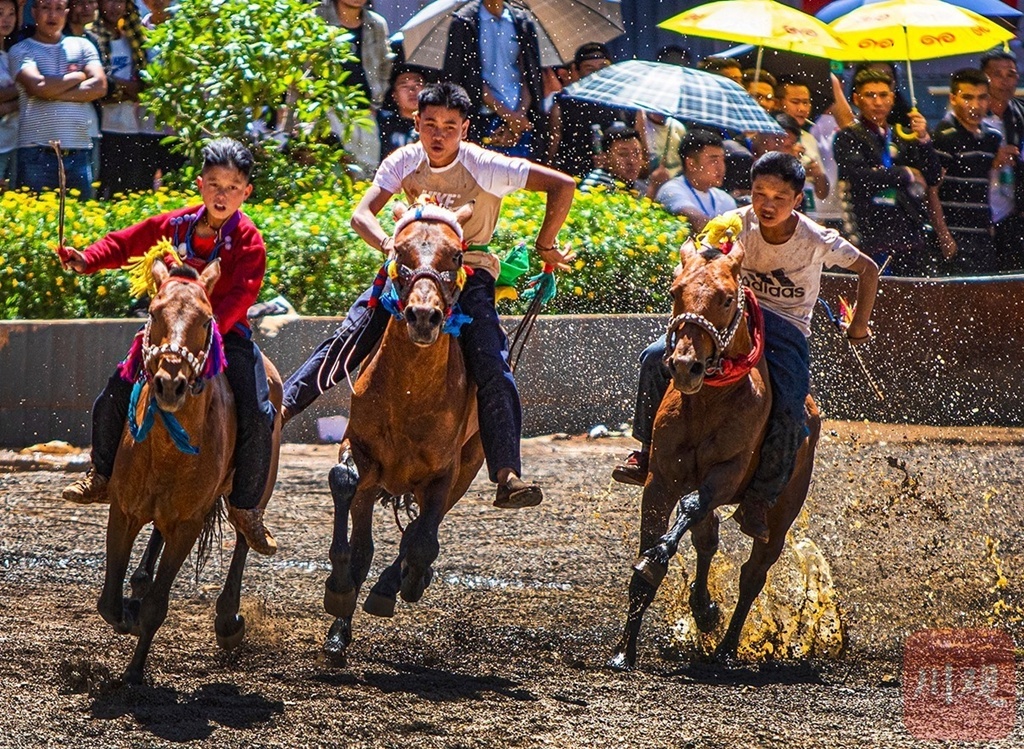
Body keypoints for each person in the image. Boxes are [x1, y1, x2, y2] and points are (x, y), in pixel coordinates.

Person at [281, 81, 575, 508]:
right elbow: (362, 214)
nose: (439, 135)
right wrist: (388, 246)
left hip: (466, 272)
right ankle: (282, 410)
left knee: (492, 363)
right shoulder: (404, 159)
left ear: (465, 128)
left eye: (450, 127)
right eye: (431, 124)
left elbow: (562, 184)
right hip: (409, 269)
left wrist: (546, 244)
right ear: (415, 122)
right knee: (352, 333)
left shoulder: (485, 164)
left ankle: (508, 474)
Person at [613, 152, 879, 543]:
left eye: (779, 197)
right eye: (759, 193)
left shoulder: (816, 238)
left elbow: (868, 269)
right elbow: (700, 263)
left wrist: (859, 324)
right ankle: (646, 452)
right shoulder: (733, 225)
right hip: (731, 317)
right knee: (655, 357)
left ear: (797, 199)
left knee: (793, 411)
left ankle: (760, 497)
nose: (767, 204)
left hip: (786, 329)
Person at [58, 138, 279, 556]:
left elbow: (241, 298)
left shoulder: (250, 242)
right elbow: (126, 242)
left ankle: (247, 508)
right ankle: (101, 475)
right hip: (165, 336)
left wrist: (205, 330)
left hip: (223, 334)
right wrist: (86, 259)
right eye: (214, 184)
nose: (222, 194)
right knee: (113, 392)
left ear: (246, 192)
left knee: (257, 411)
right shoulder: (174, 226)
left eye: (232, 187)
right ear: (200, 185)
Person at [834, 67, 940, 275]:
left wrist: (924, 139)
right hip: (869, 233)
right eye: (870, 95)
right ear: (856, 98)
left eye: (883, 95)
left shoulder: (903, 135)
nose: (878, 102)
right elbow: (858, 176)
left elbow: (932, 176)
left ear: (892, 98)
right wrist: (904, 174)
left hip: (908, 234)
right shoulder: (848, 137)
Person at [9, 0, 107, 197]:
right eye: (45, 8)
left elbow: (100, 86)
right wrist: (78, 77)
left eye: (59, 8)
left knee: (80, 221)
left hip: (78, 151)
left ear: (67, 12)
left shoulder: (83, 45)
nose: (52, 15)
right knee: (35, 221)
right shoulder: (21, 50)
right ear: (34, 12)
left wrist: (50, 92)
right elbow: (38, 86)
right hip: (36, 152)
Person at [442, 0, 544, 161]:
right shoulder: (465, 22)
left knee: (524, 182)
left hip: (521, 117)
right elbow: (465, 79)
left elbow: (530, 75)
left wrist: (519, 117)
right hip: (482, 117)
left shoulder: (521, 20)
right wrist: (510, 117)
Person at [929, 68, 1006, 274]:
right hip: (954, 235)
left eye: (981, 98)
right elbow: (932, 190)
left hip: (983, 235)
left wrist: (989, 225)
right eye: (967, 98)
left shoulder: (992, 137)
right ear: (953, 99)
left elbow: (986, 182)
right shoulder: (944, 136)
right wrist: (944, 237)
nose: (975, 105)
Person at [317, 0, 392, 179]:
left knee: (366, 173)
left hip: (364, 113)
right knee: (330, 175)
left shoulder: (376, 24)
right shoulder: (318, 18)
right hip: (327, 110)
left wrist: (375, 104)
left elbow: (385, 66)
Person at [548, 42, 643, 179]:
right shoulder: (563, 106)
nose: (598, 75)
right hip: (577, 183)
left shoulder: (628, 105)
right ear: (576, 71)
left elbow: (643, 161)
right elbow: (552, 157)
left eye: (603, 68)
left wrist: (614, 162)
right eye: (590, 69)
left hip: (620, 186)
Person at [92, 0, 148, 198]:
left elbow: (143, 84)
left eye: (120, 2)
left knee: (127, 191)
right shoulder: (94, 38)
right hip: (103, 127)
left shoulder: (131, 40)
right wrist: (123, 88)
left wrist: (115, 85)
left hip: (130, 126)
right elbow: (100, 88)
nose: (114, 7)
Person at [981, 48, 1024, 270]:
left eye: (1011, 74)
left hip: (1013, 213)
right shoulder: (971, 114)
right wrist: (991, 161)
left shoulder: (1020, 115)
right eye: (997, 74)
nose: (1005, 81)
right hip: (979, 212)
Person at [655, 128, 736, 232]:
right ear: (691, 164)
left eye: (722, 160)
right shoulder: (671, 189)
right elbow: (696, 220)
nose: (721, 167)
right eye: (713, 160)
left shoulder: (726, 200)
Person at [775, 76, 830, 218]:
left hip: (809, 214)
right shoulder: (770, 138)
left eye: (806, 102)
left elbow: (823, 193)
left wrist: (818, 175)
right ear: (778, 103)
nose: (802, 108)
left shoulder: (810, 138)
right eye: (795, 102)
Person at [377, 63, 427, 160]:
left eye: (417, 85)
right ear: (394, 95)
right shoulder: (383, 122)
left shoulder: (438, 124)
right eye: (404, 86)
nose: (412, 91)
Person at [579, 123, 644, 194]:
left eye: (637, 154)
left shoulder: (640, 187)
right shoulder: (597, 186)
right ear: (606, 157)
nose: (632, 161)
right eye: (623, 154)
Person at [0, 0, 20, 188]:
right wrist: (25, 91)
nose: (6, 20)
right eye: (0, 13)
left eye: (11, 13)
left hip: (15, 144)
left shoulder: (12, 53)